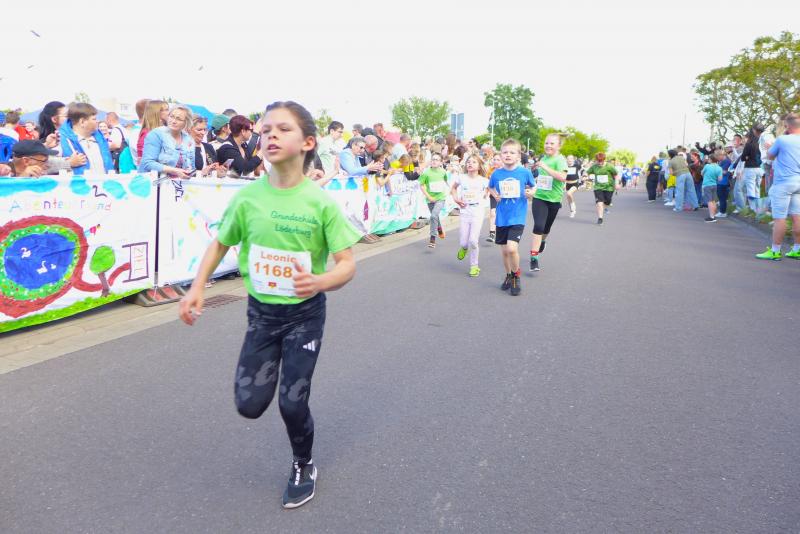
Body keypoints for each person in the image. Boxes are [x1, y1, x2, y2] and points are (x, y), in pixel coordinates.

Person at [179, 100, 361, 509]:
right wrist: (197, 288)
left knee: (292, 403)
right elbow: (220, 243)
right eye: (265, 130)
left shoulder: (320, 203)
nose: (271, 135)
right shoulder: (248, 199)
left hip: (304, 316)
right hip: (261, 315)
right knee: (249, 406)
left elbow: (347, 265)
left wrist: (319, 281)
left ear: (308, 142)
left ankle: (303, 463)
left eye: (282, 129)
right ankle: (271, 366)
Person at [488, 139, 535, 296]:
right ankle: (508, 275)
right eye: (505, 152)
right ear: (501, 155)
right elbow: (490, 187)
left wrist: (531, 193)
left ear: (518, 156)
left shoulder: (524, 172)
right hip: (502, 216)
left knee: (511, 248)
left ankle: (516, 276)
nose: (508, 155)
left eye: (512, 152)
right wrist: (495, 195)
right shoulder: (496, 174)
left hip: (517, 216)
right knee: (504, 252)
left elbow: (534, 187)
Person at [756, 113, 800, 260]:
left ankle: (775, 251)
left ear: (787, 126)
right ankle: (797, 249)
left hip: (783, 183)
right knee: (797, 216)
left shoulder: (782, 140)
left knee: (780, 218)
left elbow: (770, 156)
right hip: (798, 183)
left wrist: (770, 147)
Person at [528, 134, 568, 272]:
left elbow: (562, 177)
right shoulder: (543, 158)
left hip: (554, 199)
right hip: (539, 197)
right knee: (538, 225)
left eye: (552, 143)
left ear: (559, 146)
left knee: (546, 229)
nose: (548, 146)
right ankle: (534, 258)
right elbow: (540, 178)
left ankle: (543, 241)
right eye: (546, 143)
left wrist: (545, 166)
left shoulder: (560, 160)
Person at [450, 155, 489, 276]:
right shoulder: (461, 177)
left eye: (473, 162)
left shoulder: (484, 180)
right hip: (465, 211)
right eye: (468, 162)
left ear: (479, 166)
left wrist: (486, 193)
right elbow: (453, 188)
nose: (470, 164)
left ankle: (474, 266)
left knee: (473, 240)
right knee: (463, 242)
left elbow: (490, 188)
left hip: (477, 211)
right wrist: (456, 199)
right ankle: (464, 248)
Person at [138, 105, 195, 178]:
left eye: (179, 119)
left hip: (180, 183)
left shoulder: (189, 140)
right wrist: (174, 171)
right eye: (171, 116)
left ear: (186, 122)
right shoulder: (156, 134)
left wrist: (190, 173)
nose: (173, 121)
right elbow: (147, 163)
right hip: (155, 182)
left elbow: (191, 166)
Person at [59, 102, 114, 175]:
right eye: (94, 119)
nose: (97, 121)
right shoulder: (61, 142)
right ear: (82, 122)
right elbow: (47, 166)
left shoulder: (101, 140)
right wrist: (68, 163)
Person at [418, 153, 449, 248]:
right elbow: (421, 185)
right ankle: (439, 228)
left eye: (436, 160)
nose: (434, 161)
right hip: (430, 199)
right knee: (435, 217)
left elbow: (446, 181)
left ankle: (432, 238)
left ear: (440, 162)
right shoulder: (426, 173)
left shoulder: (443, 172)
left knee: (433, 215)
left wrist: (450, 190)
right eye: (433, 159)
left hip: (440, 198)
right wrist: (429, 197)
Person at [586, 152, 619, 225]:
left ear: (604, 159)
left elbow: (616, 175)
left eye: (601, 161)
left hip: (609, 188)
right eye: (598, 161)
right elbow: (587, 172)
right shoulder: (594, 167)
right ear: (596, 160)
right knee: (599, 203)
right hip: (598, 187)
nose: (600, 163)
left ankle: (606, 205)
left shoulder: (609, 166)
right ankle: (600, 218)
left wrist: (616, 184)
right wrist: (585, 176)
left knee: (607, 202)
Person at [741, 125, 764, 212]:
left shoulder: (749, 144)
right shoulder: (760, 143)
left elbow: (743, 157)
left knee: (750, 189)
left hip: (750, 168)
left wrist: (747, 157)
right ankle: (758, 208)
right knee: (757, 188)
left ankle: (753, 208)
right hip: (760, 168)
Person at [670, 147, 698, 212]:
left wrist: (676, 173)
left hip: (680, 175)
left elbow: (671, 173)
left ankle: (678, 207)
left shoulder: (671, 161)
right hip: (688, 173)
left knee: (679, 191)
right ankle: (695, 205)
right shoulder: (681, 158)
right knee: (691, 190)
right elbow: (686, 165)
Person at [701, 150, 724, 222]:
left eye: (709, 159)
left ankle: (711, 217)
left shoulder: (707, 166)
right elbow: (720, 179)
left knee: (709, 201)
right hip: (714, 185)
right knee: (713, 201)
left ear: (711, 159)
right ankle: (713, 215)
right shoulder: (719, 168)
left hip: (707, 185)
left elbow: (702, 173)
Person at [485, 153, 503, 242]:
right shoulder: (490, 171)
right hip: (493, 195)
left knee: (502, 214)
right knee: (493, 213)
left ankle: (502, 231)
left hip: (504, 196)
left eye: (498, 160)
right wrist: (486, 193)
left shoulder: (506, 171)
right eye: (494, 159)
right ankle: (492, 233)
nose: (495, 161)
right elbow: (488, 184)